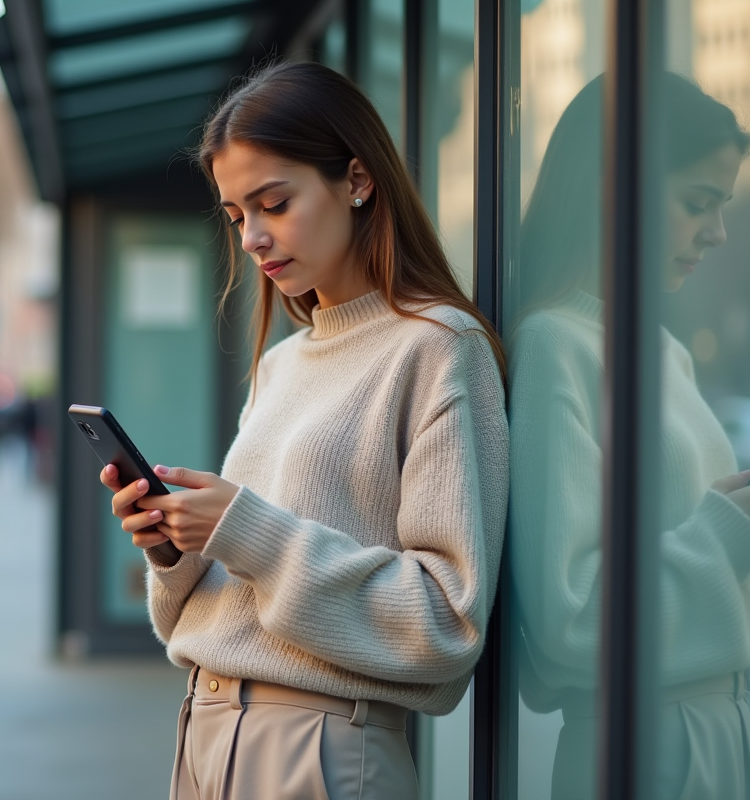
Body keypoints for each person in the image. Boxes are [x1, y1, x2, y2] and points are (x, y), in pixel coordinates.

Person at [99, 61, 508, 800]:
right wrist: (173, 548)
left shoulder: (438, 348)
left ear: (357, 180)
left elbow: (449, 620)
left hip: (318, 747)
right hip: (204, 726)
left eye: (274, 203)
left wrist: (246, 529)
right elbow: (234, 591)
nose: (252, 237)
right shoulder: (283, 364)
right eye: (235, 215)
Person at [508, 73, 750, 799]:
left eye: (722, 208)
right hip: (648, 744)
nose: (718, 233)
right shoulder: (553, 346)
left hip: (714, 726)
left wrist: (731, 519)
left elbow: (673, 534)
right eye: (699, 203)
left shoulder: (660, 348)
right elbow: (564, 616)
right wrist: (723, 536)